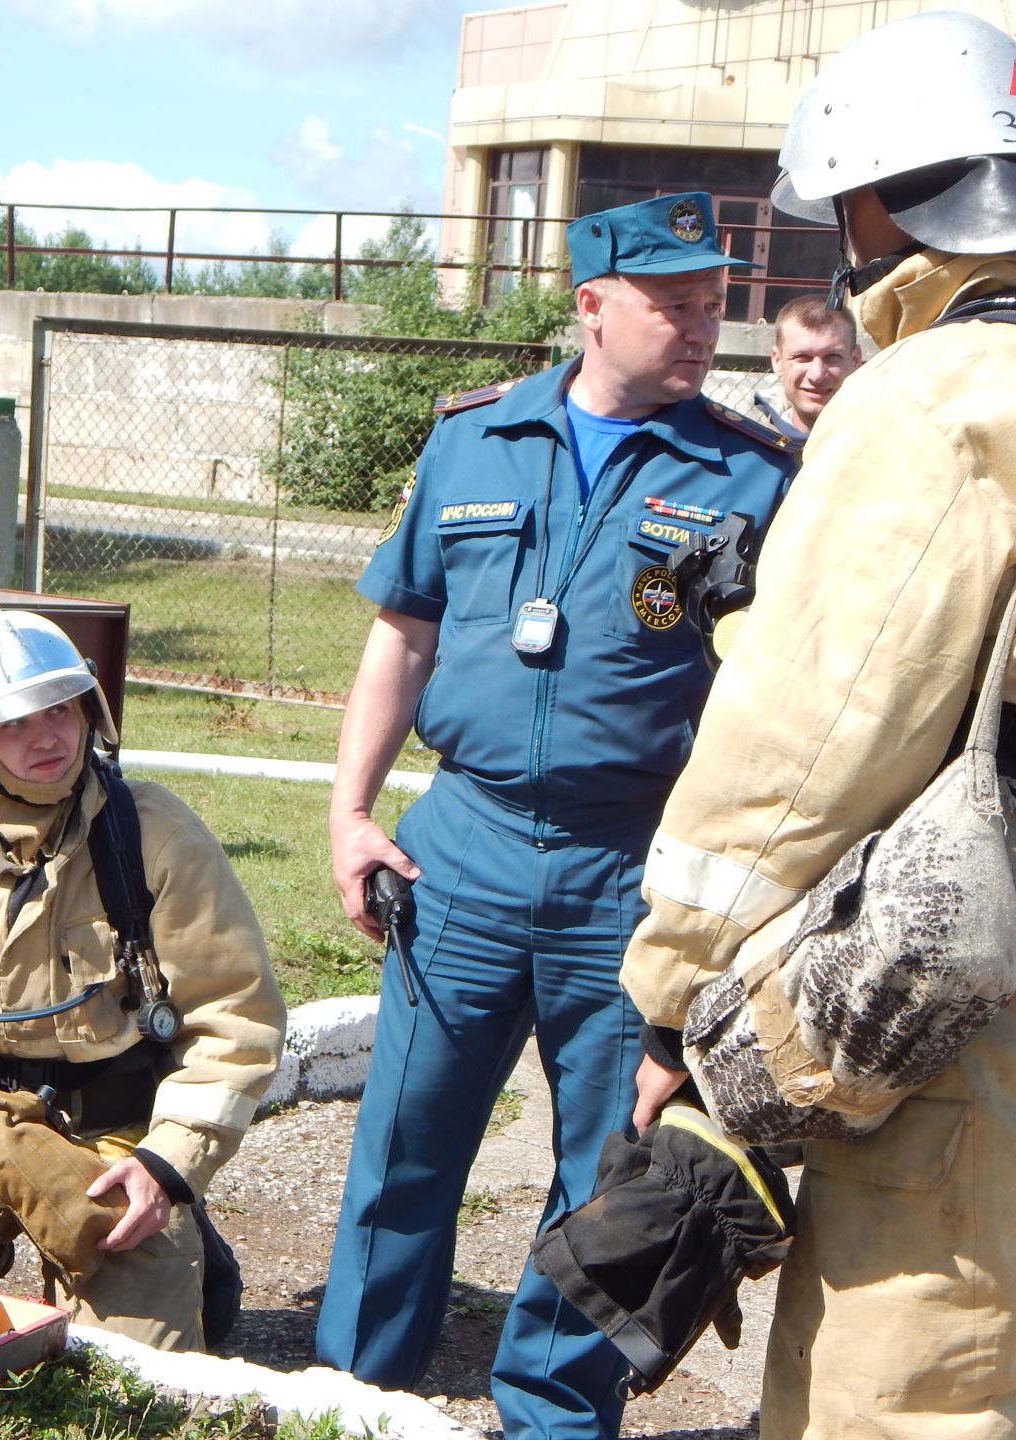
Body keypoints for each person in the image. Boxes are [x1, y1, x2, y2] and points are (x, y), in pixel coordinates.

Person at [619, 14, 1016, 1438]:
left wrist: (675, 995)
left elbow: (813, 740)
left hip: (984, 998)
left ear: (893, 197)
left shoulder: (941, 392)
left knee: (904, 1401)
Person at [314, 192, 798, 1439]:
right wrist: (350, 812)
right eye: (671, 304)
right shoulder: (475, 443)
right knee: (406, 1144)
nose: (701, 328)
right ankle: (353, 1389)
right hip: (461, 846)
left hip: (630, 866)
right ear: (591, 306)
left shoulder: (751, 472)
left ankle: (553, 1410)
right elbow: (402, 635)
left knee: (605, 1167)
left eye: (711, 305)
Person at [0, 604, 287, 1351]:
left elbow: (234, 1019)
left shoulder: (157, 837)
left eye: (59, 710)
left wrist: (165, 1169)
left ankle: (184, 1261)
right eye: (12, 723)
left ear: (88, 711)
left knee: (138, 1378)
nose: (46, 737)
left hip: (119, 1148)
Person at [751, 293, 861, 438]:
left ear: (855, 360)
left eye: (832, 357)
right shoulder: (749, 447)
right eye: (802, 357)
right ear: (777, 361)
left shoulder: (885, 448)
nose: (817, 375)